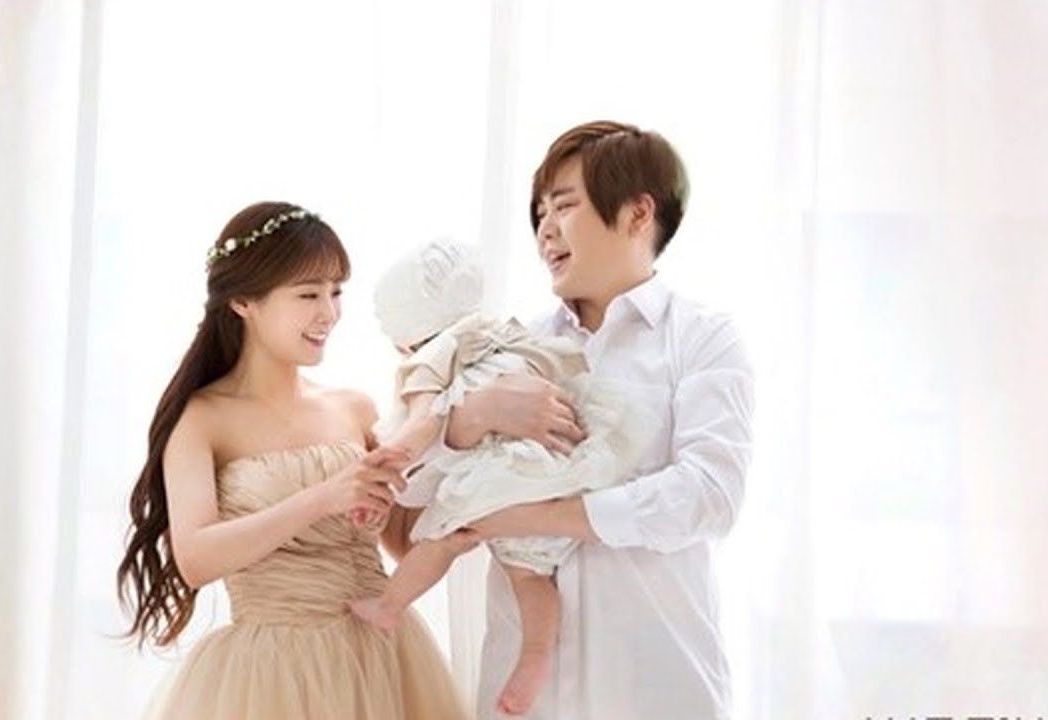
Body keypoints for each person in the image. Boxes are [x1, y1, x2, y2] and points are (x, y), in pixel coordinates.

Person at [446, 121, 755, 719]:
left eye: (564, 206)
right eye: (539, 213)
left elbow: (711, 494)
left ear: (639, 213)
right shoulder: (515, 344)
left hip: (657, 686)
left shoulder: (703, 338)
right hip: (526, 696)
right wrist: (476, 414)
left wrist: (536, 516)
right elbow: (429, 477)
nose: (545, 229)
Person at [116, 201, 469, 720]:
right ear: (243, 301)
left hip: (381, 658)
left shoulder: (354, 407)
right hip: (270, 674)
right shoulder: (202, 419)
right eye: (308, 294)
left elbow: (400, 540)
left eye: (336, 291)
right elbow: (195, 559)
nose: (329, 312)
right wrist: (322, 498)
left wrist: (464, 494)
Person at [348, 238, 657, 715]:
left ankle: (390, 604)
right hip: (556, 472)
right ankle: (535, 656)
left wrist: (388, 462)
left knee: (440, 538)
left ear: (408, 326)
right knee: (531, 575)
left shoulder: (432, 358)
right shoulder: (504, 332)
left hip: (496, 481)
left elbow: (423, 422)